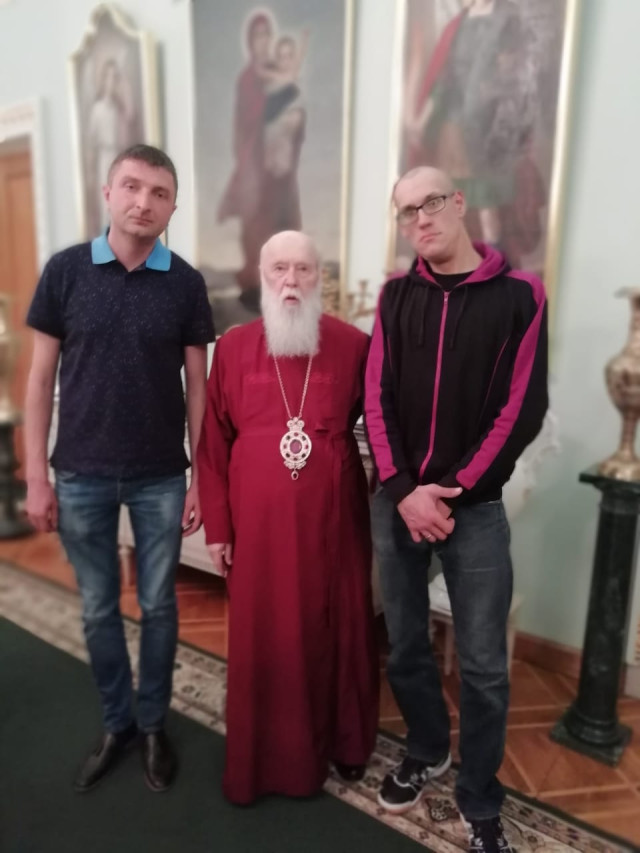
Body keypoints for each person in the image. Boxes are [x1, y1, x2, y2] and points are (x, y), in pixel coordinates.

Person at [364, 166, 547, 853]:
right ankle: (426, 747)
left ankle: (478, 794)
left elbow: (521, 409)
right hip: (398, 502)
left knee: (484, 666)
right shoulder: (393, 296)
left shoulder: (521, 296)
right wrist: (404, 489)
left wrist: (453, 491)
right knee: (407, 643)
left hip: (475, 509)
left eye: (431, 203)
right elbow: (375, 397)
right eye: (406, 211)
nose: (420, 219)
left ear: (459, 203)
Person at [24, 144, 216, 794]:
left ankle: (154, 724)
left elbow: (198, 386)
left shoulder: (186, 283)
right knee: (99, 609)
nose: (143, 202)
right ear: (108, 193)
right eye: (131, 186)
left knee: (159, 605)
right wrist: (35, 476)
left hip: (161, 475)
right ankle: (118, 723)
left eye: (159, 193)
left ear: (172, 207)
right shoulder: (65, 272)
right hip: (79, 473)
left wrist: (202, 478)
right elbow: (39, 378)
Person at [197, 229, 378, 805]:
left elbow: (383, 424)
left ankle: (345, 744)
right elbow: (212, 445)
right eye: (279, 269)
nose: (291, 281)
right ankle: (267, 758)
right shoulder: (233, 349)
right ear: (262, 277)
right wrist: (219, 529)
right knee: (266, 635)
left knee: (341, 629)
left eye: (303, 268)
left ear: (319, 277)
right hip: (257, 529)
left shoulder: (354, 345)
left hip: (334, 525)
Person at [403, 0, 544, 264]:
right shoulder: (457, 26)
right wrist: (421, 121)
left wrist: (490, 98)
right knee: (452, 204)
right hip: (454, 127)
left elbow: (517, 75)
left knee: (487, 207)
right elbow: (443, 81)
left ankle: (494, 269)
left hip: (488, 127)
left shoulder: (507, 19)